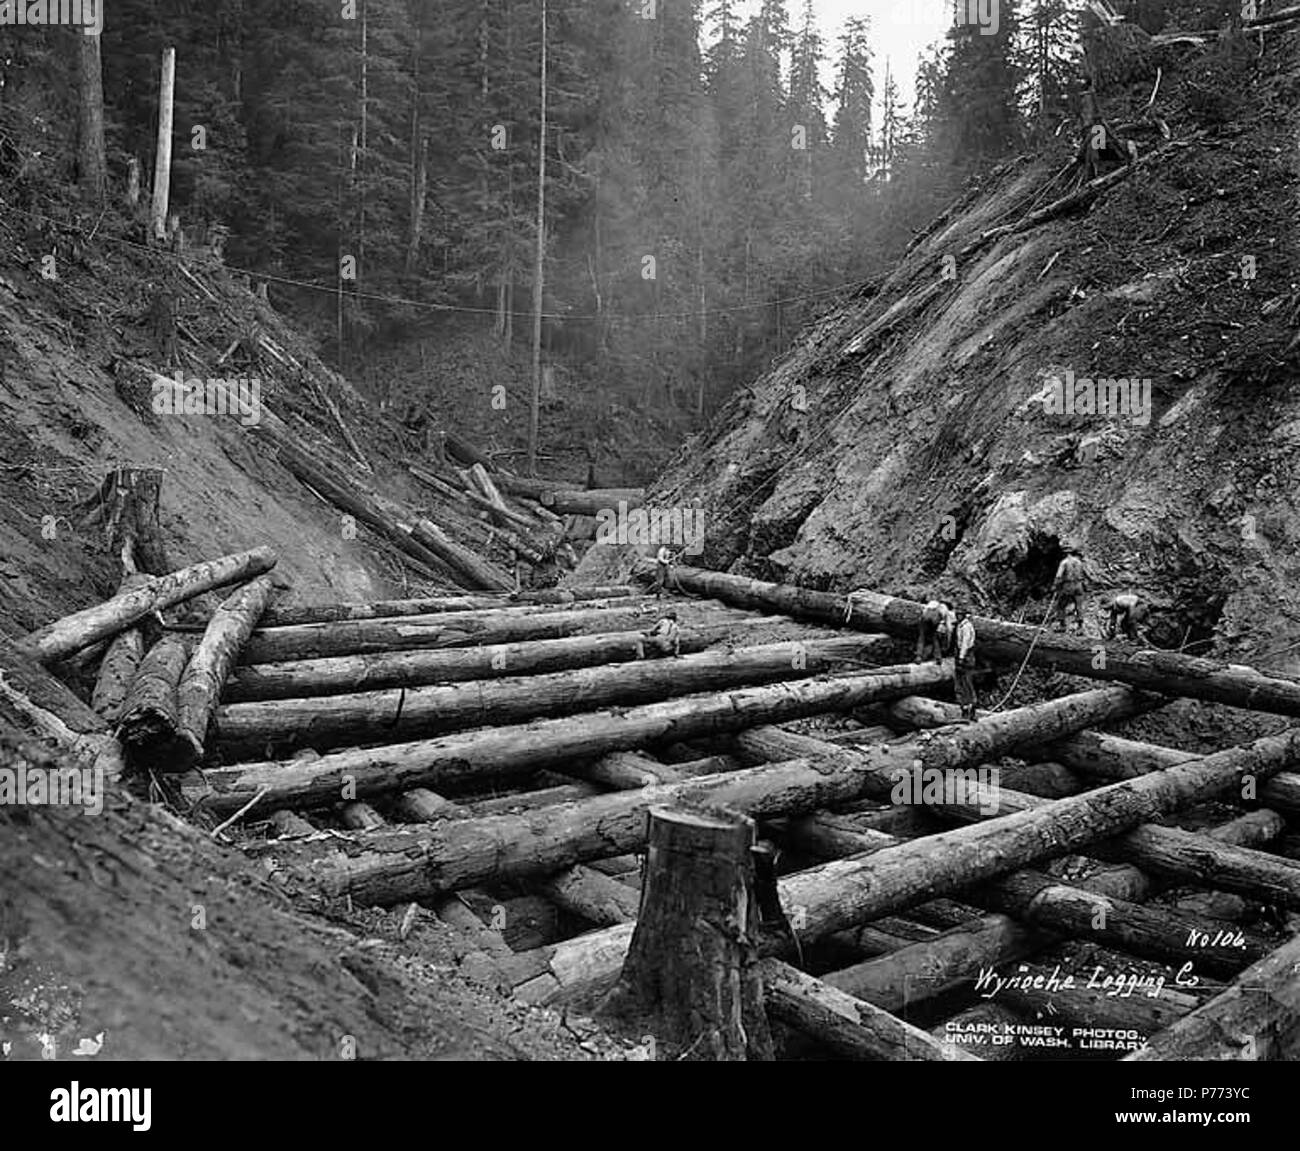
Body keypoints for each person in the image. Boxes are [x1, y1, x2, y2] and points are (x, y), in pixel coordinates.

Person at [1052, 546, 1088, 635]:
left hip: (1068, 585)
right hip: (1079, 584)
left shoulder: (1064, 562)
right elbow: (1084, 573)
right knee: (1079, 605)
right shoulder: (1079, 562)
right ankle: (1080, 627)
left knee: (1061, 604)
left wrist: (1055, 585)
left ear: (1065, 553)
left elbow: (1059, 576)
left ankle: (1062, 625)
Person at [954, 607, 978, 721]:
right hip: (962, 655)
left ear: (964, 615)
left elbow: (965, 643)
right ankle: (964, 708)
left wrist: (961, 658)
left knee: (967, 683)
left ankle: (971, 710)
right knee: (960, 684)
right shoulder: (960, 625)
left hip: (966, 656)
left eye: (959, 614)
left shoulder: (966, 627)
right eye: (956, 614)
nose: (957, 616)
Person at [916, 598, 949, 662]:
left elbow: (924, 614)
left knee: (922, 638)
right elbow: (942, 621)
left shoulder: (932, 604)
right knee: (934, 639)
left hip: (925, 621)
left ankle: (919, 656)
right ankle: (938, 657)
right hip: (932, 622)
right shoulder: (942, 608)